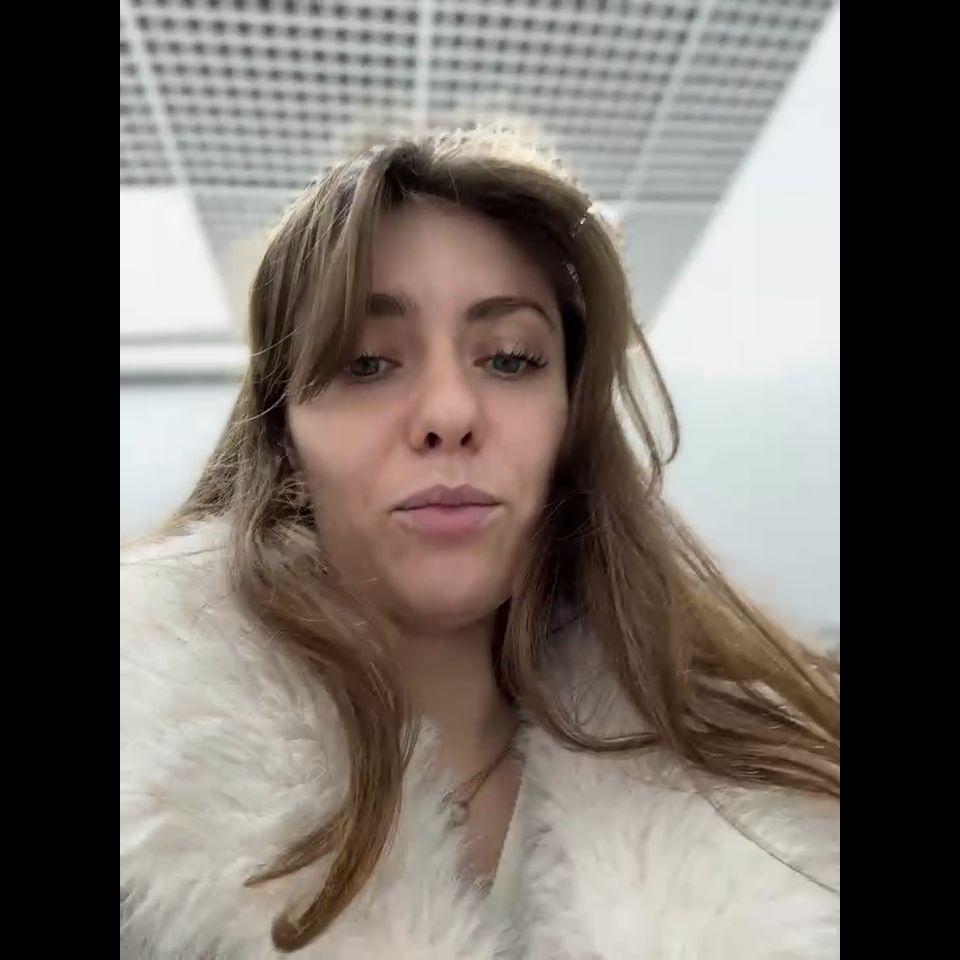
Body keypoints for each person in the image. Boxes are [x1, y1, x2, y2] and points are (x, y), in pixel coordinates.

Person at [120, 126, 839, 959]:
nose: (450, 413)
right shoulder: (144, 823)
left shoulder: (788, 816)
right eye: (366, 363)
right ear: (285, 436)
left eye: (509, 359)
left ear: (570, 421)